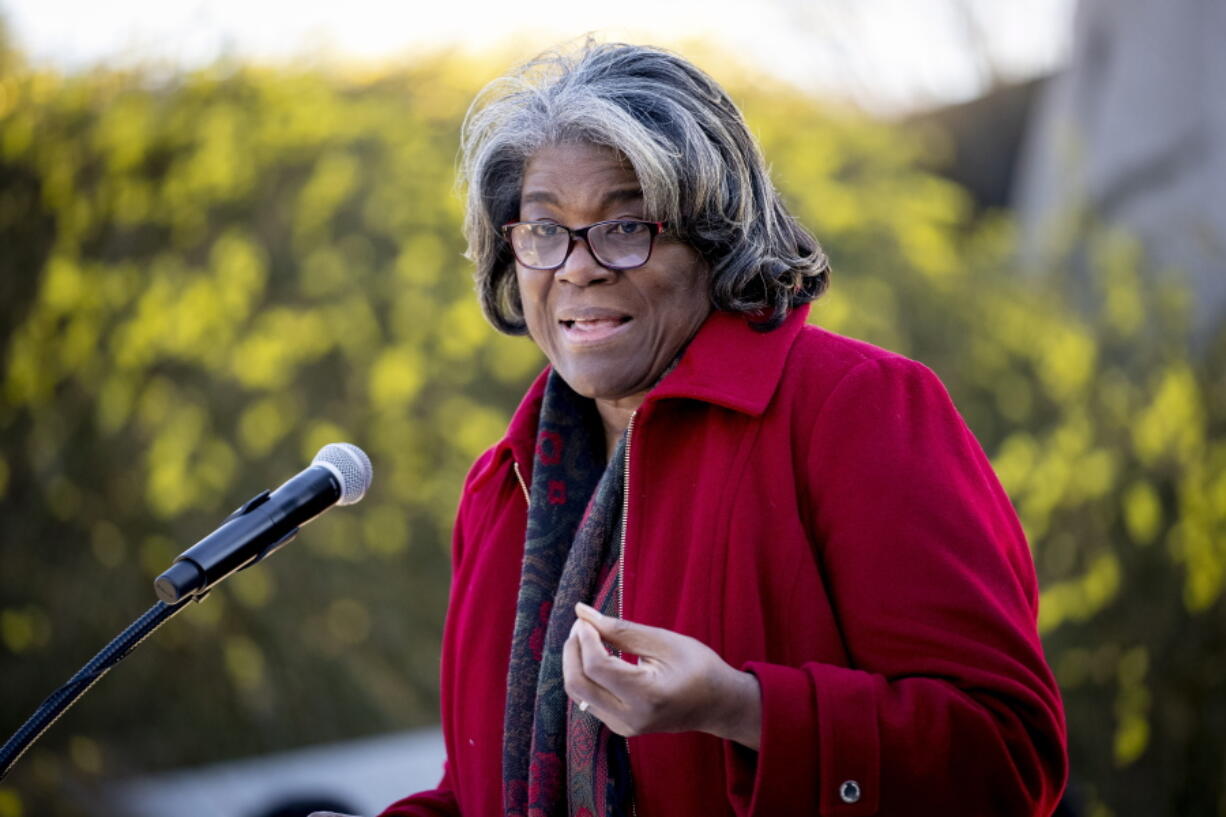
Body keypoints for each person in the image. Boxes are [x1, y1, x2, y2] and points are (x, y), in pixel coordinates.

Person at [371, 41, 1068, 816]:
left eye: (625, 224)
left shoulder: (856, 407)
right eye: (543, 229)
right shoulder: (503, 486)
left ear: (716, 236)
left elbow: (1006, 758)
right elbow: (487, 789)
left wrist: (739, 707)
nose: (576, 267)